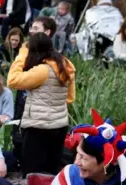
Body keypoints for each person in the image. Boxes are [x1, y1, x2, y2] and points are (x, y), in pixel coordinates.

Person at [8, 32, 76, 177]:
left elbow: (12, 80)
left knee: (32, 173)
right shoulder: (65, 65)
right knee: (51, 171)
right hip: (59, 125)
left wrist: (22, 54)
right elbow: (70, 98)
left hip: (38, 128)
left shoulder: (42, 71)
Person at [9, 16, 57, 168]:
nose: (31, 31)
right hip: (23, 99)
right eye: (31, 28)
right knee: (18, 134)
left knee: (34, 143)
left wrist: (23, 52)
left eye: (36, 28)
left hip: (39, 107)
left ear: (47, 32)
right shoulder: (31, 51)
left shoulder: (51, 58)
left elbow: (13, 80)